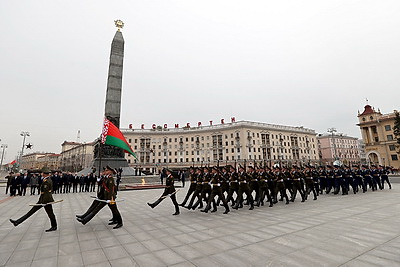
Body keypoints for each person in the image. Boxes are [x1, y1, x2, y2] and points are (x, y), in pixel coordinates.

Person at [9, 167, 57, 232]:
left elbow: (47, 192)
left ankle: (54, 226)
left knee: (50, 213)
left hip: (46, 200)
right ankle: (17, 222)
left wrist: (44, 202)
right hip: (43, 200)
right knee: (32, 211)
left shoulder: (47, 181)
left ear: (45, 174)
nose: (41, 174)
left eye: (42, 173)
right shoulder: (45, 180)